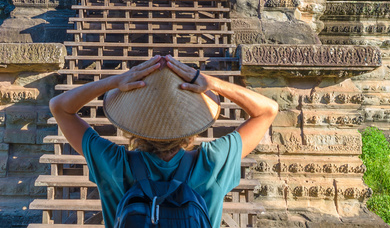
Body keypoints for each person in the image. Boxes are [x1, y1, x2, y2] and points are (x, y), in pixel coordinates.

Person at [48, 54, 279, 228]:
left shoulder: (114, 163)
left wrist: (116, 81)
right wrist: (210, 82)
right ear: (192, 130)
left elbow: (60, 107)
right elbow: (267, 110)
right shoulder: (212, 162)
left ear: (132, 127)